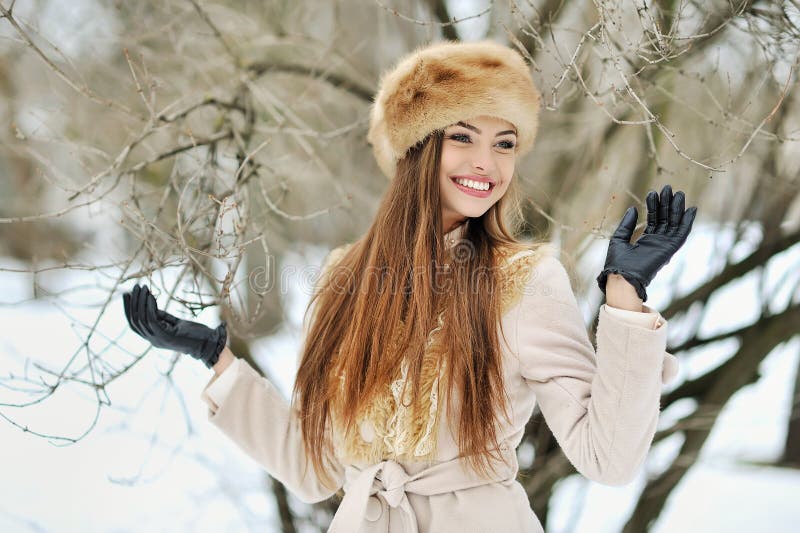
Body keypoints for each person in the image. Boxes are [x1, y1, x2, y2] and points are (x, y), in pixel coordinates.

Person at [122, 39, 696, 533]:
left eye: (504, 143)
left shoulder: (524, 280)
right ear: (418, 148)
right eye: (464, 136)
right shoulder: (343, 279)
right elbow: (315, 466)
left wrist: (623, 296)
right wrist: (218, 362)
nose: (487, 163)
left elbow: (609, 458)